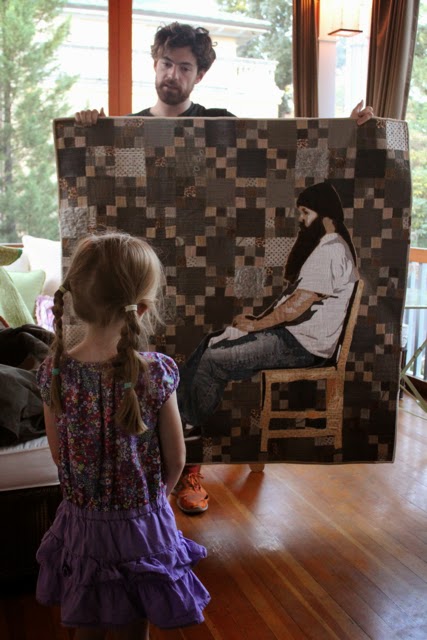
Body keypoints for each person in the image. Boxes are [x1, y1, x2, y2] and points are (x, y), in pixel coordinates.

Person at [74, 21, 372, 515]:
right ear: (154, 63)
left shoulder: (220, 124)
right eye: (166, 63)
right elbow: (98, 195)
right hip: (144, 276)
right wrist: (88, 128)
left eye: (184, 67)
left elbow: (288, 149)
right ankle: (139, 467)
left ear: (200, 74)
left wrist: (349, 130)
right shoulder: (125, 131)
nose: (172, 74)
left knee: (203, 350)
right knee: (139, 364)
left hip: (209, 271)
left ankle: (190, 466)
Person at [35, 233, 210, 639]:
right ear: (142, 309)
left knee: (87, 621)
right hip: (142, 524)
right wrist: (155, 502)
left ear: (76, 302)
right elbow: (177, 459)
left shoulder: (54, 372)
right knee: (136, 626)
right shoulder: (156, 372)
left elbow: (59, 455)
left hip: (84, 526)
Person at [177, 181, 359, 430]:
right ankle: (176, 414)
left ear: (325, 215)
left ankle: (187, 424)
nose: (301, 219)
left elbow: (296, 307)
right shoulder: (330, 247)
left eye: (306, 213)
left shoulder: (331, 250)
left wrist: (256, 326)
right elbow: (295, 304)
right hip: (294, 339)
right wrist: (257, 322)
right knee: (211, 340)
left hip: (302, 346)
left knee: (213, 358)